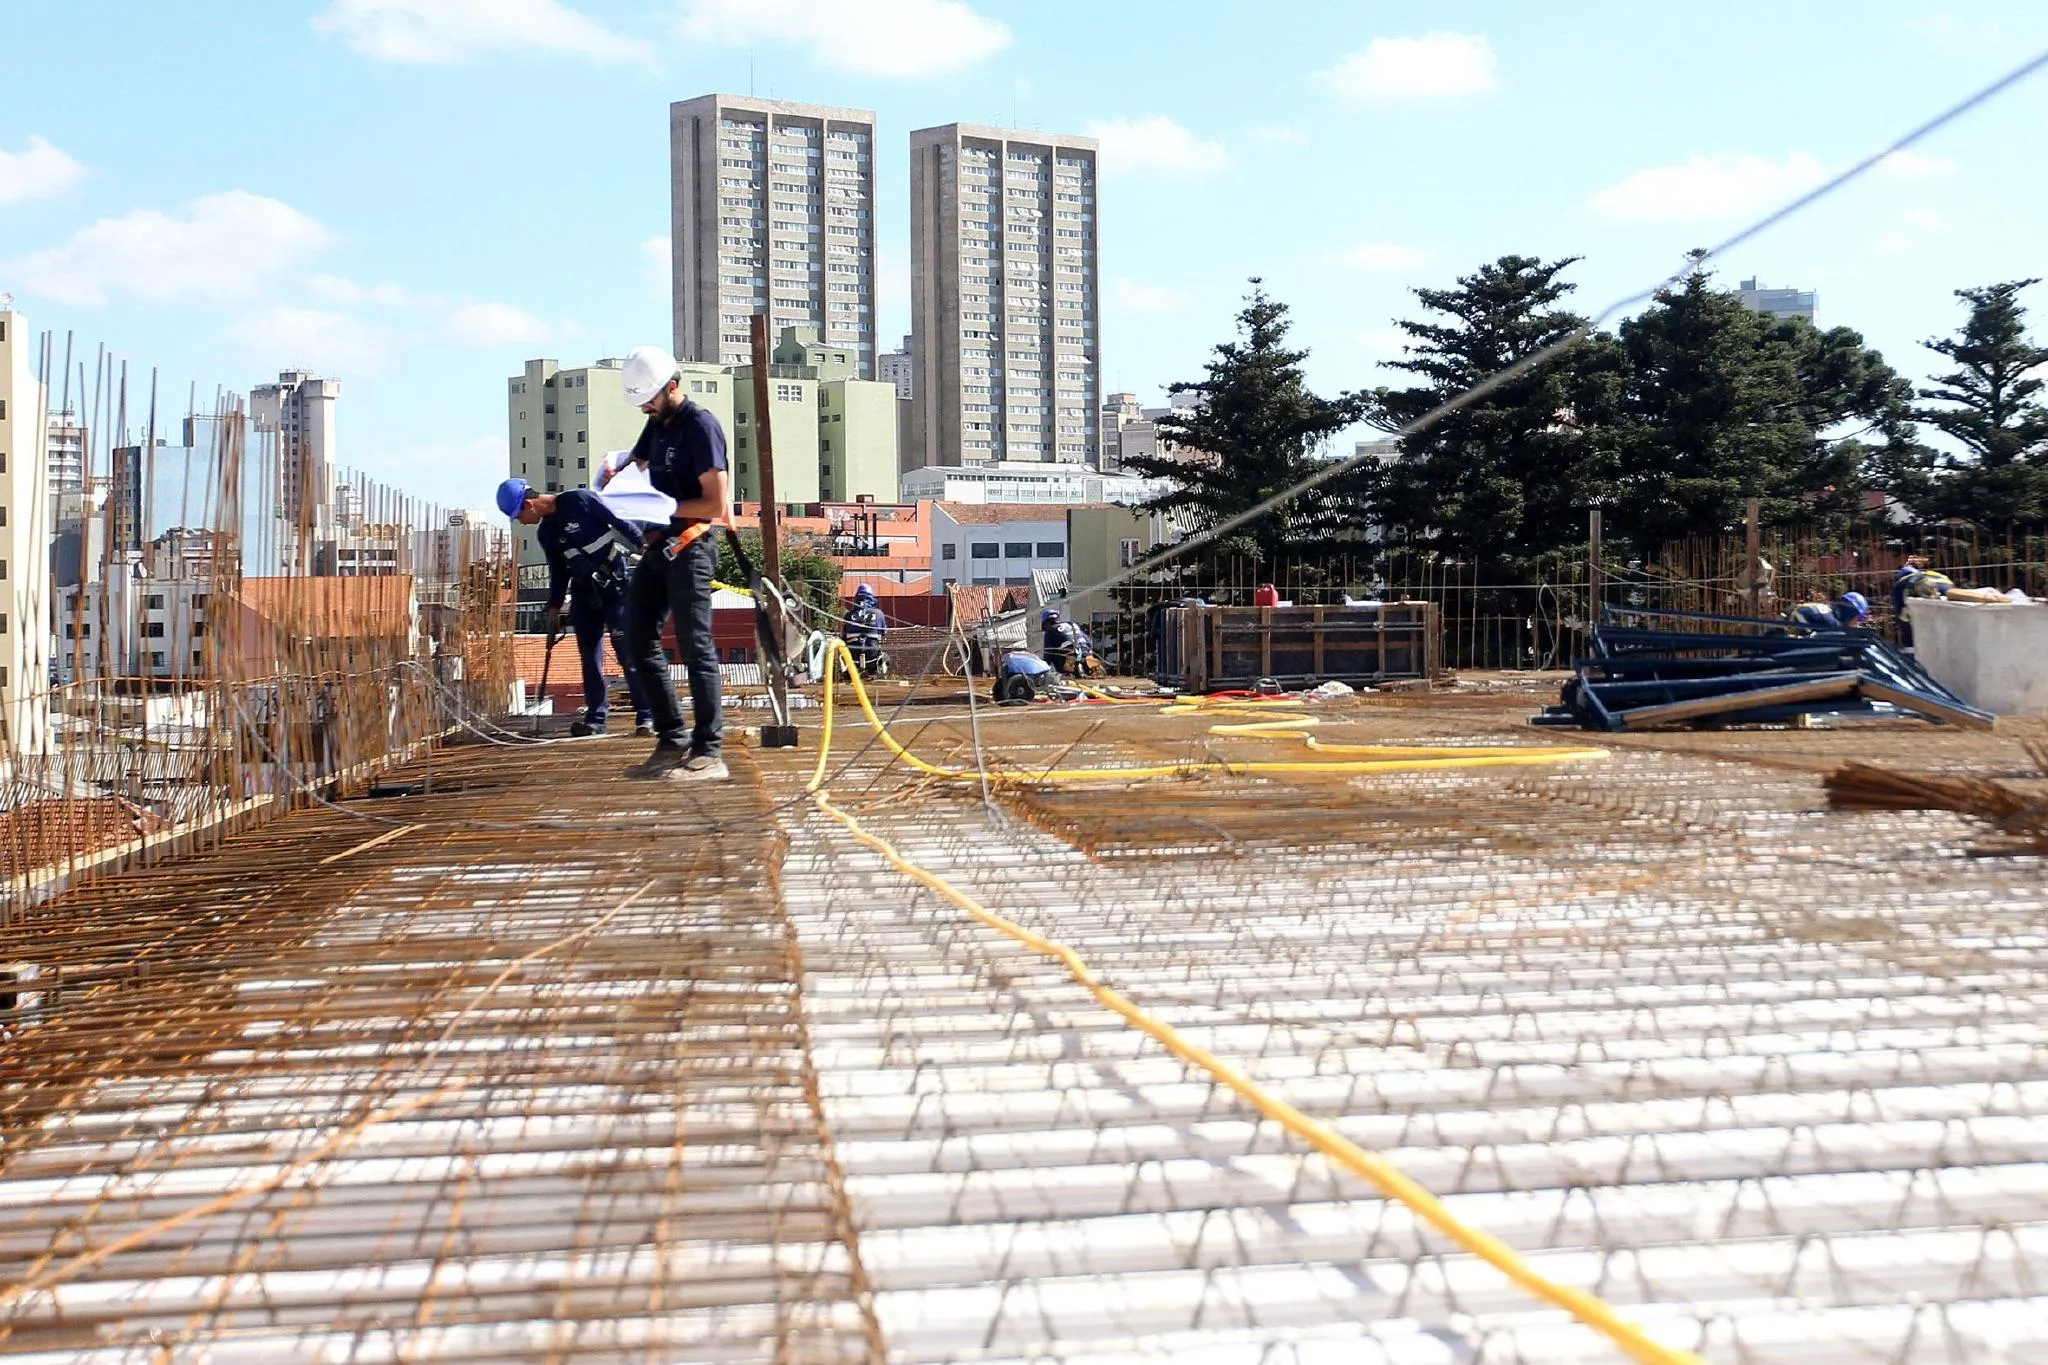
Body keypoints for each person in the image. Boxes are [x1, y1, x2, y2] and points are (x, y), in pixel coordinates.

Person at [595, 345, 731, 782]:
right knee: (637, 640)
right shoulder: (656, 424)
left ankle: (709, 751)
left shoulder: (700, 427)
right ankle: (672, 739)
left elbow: (714, 504)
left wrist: (663, 506)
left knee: (695, 647)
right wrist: (613, 477)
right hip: (658, 547)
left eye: (649, 399)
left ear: (672, 387)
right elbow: (634, 466)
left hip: (691, 547)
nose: (644, 409)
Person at [497, 477, 653, 738]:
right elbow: (558, 572)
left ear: (528, 504)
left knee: (627, 650)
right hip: (584, 593)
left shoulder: (580, 500)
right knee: (590, 657)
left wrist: (644, 545)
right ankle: (596, 719)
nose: (521, 523)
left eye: (519, 516)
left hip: (615, 587)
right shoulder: (546, 534)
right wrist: (554, 606)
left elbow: (619, 521)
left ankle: (647, 715)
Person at [1892, 555, 1953, 647]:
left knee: (1906, 621)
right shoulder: (1935, 575)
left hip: (1921, 590)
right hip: (1948, 590)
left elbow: (1900, 611)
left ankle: (1910, 648)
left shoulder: (1900, 584)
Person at [843, 584, 887, 676]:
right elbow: (883, 633)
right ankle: (875, 674)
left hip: (852, 658)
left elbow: (844, 637)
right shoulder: (879, 613)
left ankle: (848, 675)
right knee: (885, 658)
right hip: (872, 656)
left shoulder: (848, 615)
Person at [1790, 590, 1870, 632]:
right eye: (1858, 619)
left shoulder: (1826, 610)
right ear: (1850, 614)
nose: (1857, 624)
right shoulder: (1833, 625)